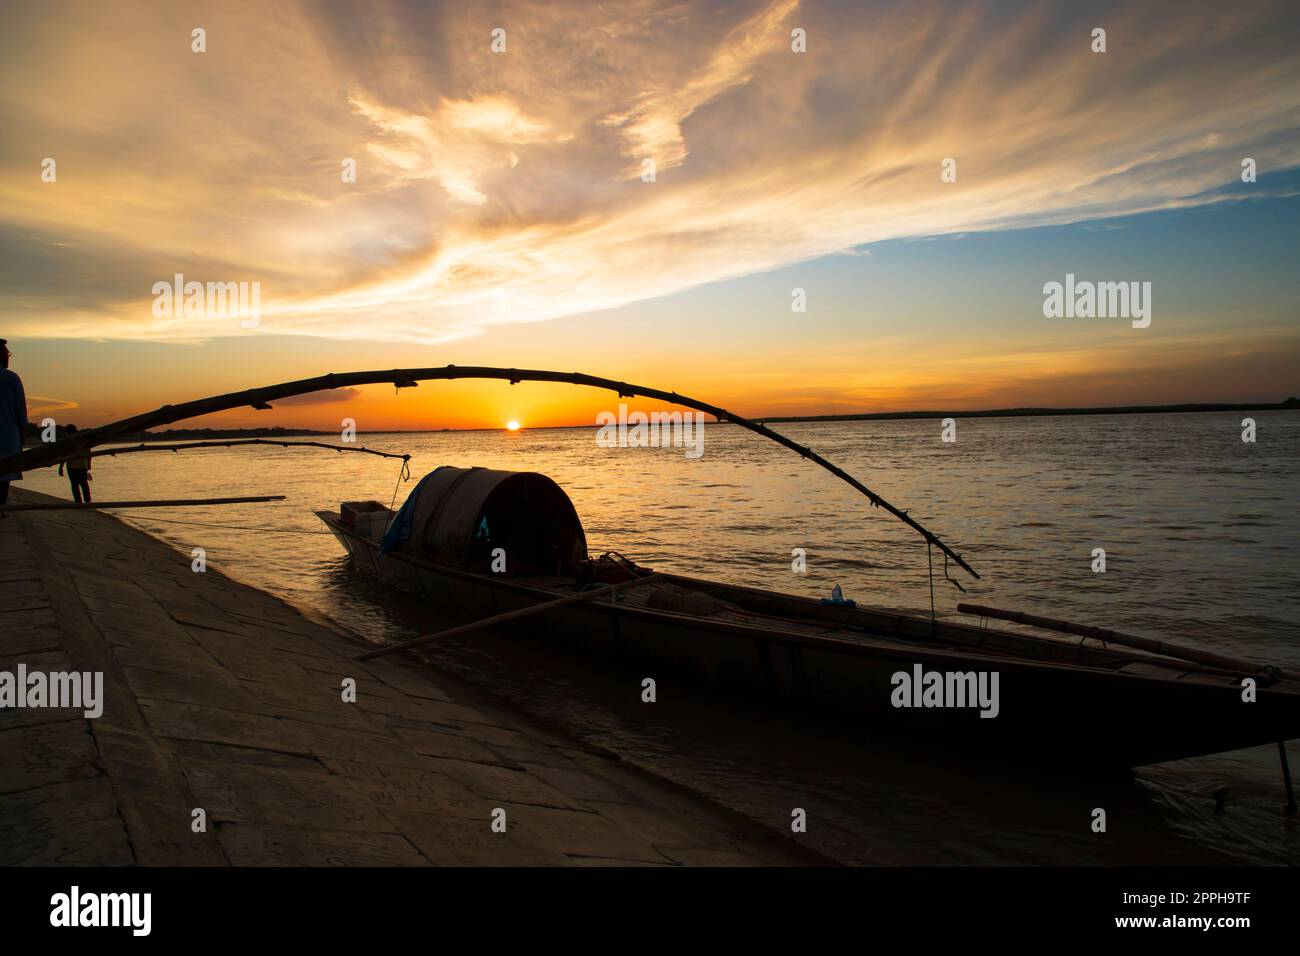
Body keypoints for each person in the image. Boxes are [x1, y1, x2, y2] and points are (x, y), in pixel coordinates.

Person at [0, 338, 28, 510]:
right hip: (6, 435)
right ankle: (1, 507)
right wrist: (22, 434)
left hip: (8, 433)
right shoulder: (11, 378)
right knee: (4, 472)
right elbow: (20, 410)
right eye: (7, 354)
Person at [57, 424, 92, 503]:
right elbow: (89, 453)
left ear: (69, 432)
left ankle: (78, 501)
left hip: (72, 466)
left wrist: (60, 467)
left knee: (75, 484)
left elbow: (64, 455)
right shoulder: (82, 439)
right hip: (82, 465)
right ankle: (87, 501)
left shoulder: (68, 440)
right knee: (84, 484)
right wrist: (89, 464)